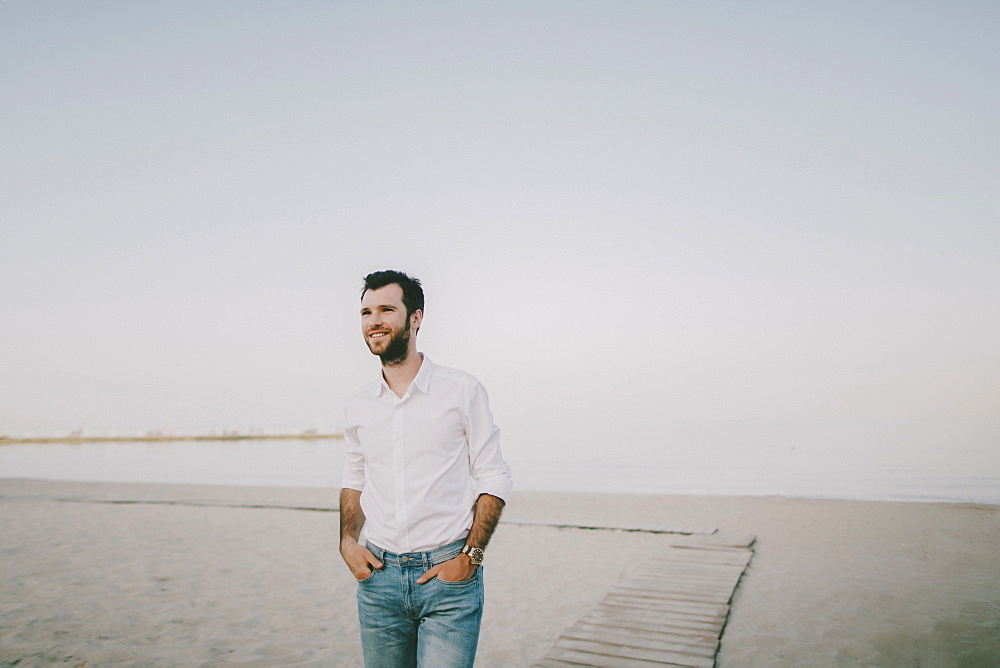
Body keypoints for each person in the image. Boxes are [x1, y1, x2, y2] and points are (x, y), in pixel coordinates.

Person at [339, 270, 513, 668]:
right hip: (378, 581)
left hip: (448, 579)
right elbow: (354, 477)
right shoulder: (358, 403)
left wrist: (471, 556)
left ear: (415, 318)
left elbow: (494, 475)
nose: (374, 321)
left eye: (386, 309)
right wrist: (348, 542)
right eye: (366, 312)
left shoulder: (461, 389)